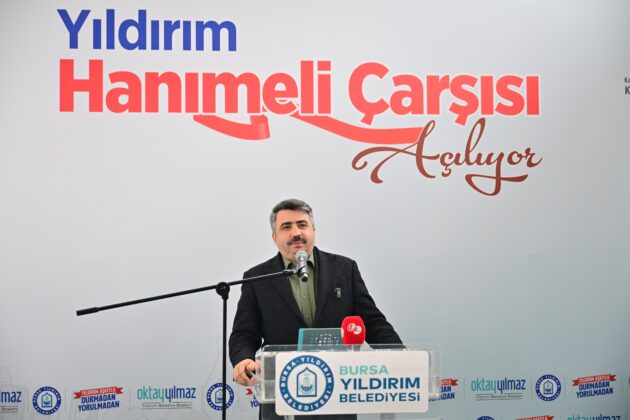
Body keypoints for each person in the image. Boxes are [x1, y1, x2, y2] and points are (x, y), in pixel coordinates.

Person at [229, 199, 402, 418]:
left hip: (336, 394)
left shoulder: (344, 268)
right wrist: (243, 359)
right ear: (274, 237)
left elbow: (373, 323)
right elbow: (243, 334)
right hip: (281, 396)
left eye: (302, 225)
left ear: (313, 230)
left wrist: (401, 357)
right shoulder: (257, 278)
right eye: (286, 227)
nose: (296, 233)